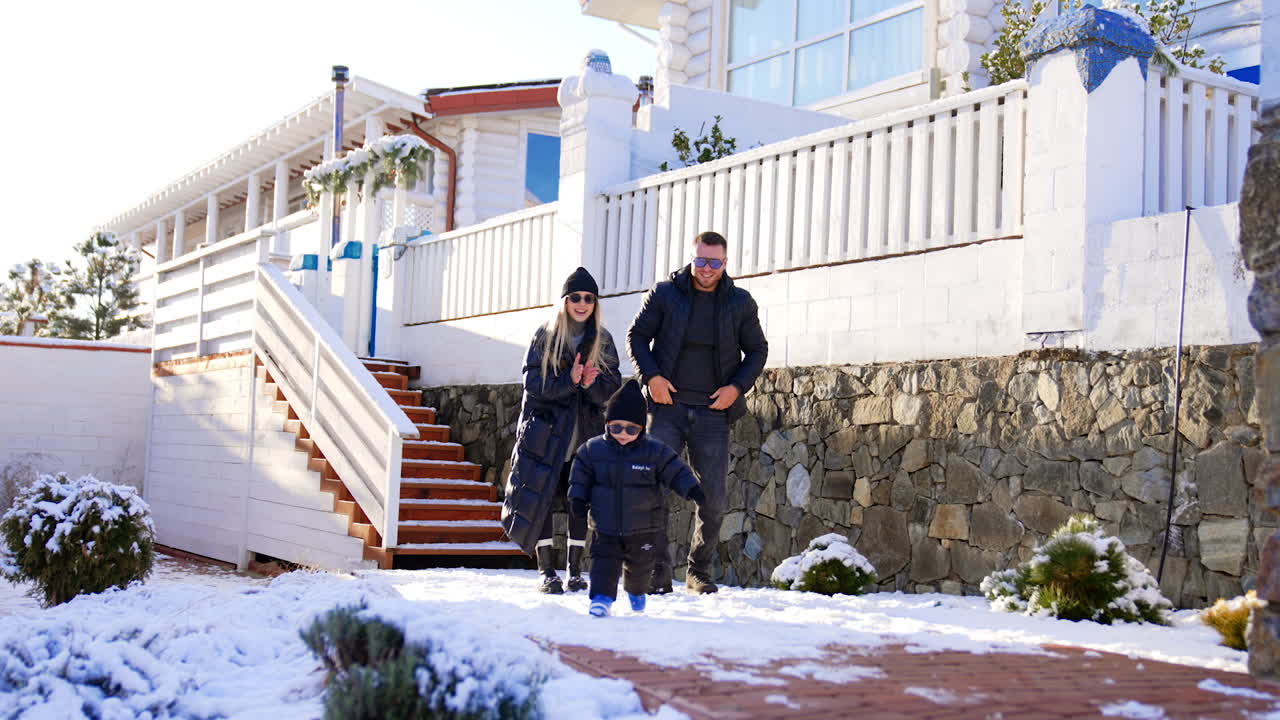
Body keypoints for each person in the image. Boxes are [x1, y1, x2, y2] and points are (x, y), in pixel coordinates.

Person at [627, 231, 768, 595]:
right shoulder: (664, 294)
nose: (707, 269)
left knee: (713, 497)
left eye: (715, 262)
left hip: (712, 414)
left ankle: (698, 571)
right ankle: (656, 570)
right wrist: (651, 377)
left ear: (725, 263)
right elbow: (637, 337)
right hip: (666, 410)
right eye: (701, 261)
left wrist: (736, 388)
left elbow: (757, 350)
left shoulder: (740, 302)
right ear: (691, 258)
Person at [502, 267, 622, 594]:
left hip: (584, 435)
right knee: (541, 498)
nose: (582, 303)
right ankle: (546, 572)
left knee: (577, 502)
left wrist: (591, 384)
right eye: (575, 297)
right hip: (545, 435)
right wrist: (569, 381)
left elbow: (611, 387)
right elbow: (532, 382)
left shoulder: (603, 339)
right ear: (565, 301)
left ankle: (575, 571)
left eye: (589, 298)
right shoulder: (545, 335)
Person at [568, 379, 705, 617]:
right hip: (605, 526)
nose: (623, 434)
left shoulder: (654, 451)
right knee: (603, 565)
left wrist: (692, 489)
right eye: (616, 427)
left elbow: (675, 469)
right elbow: (579, 477)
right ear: (607, 424)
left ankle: (636, 592)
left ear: (641, 428)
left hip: (643, 527)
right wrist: (578, 499)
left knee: (640, 569)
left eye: (631, 429)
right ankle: (601, 599)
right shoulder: (592, 451)